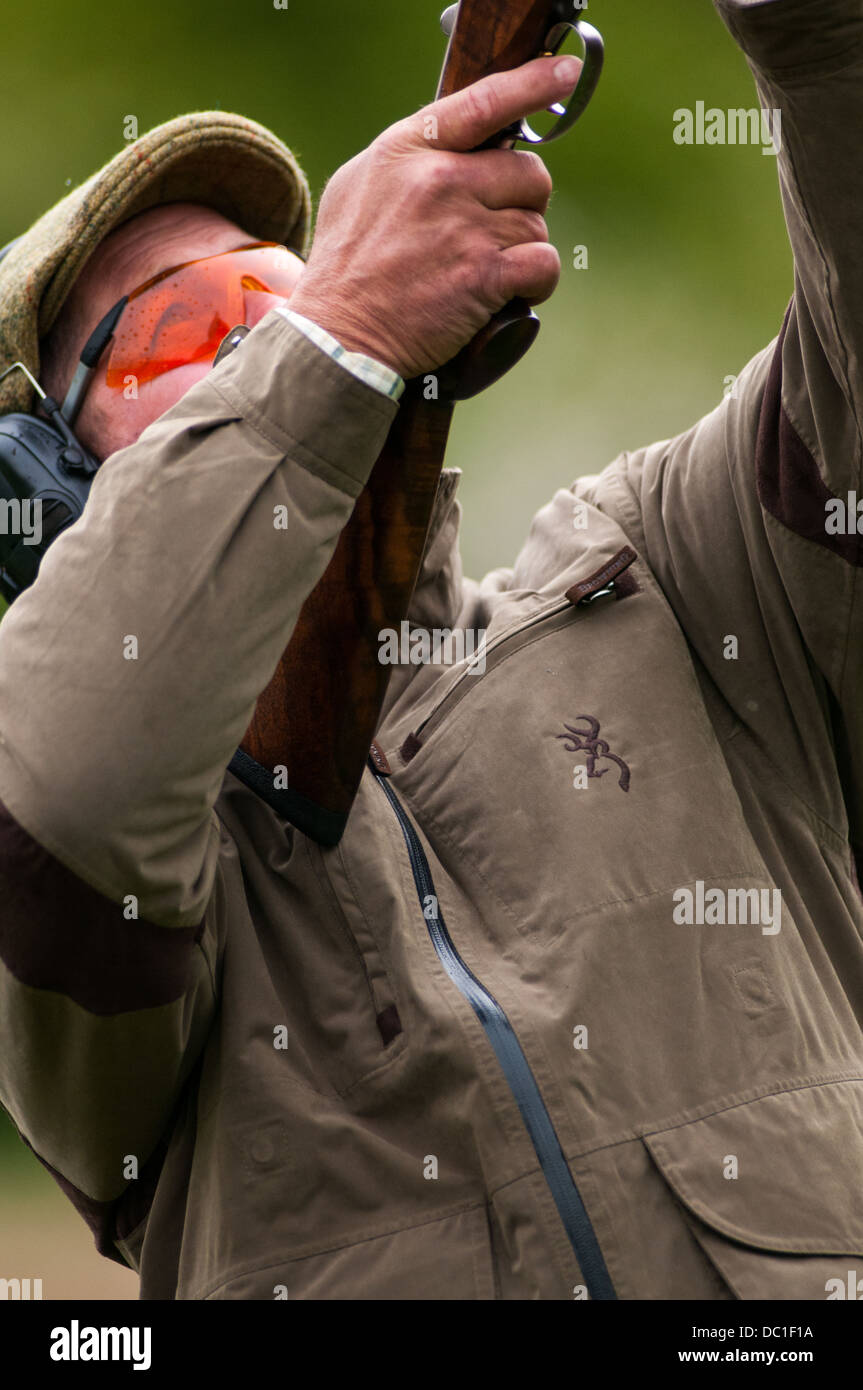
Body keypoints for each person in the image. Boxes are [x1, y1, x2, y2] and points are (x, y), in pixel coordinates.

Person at [0, 1, 861, 1302]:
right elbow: (70, 795)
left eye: (275, 288)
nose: (259, 338)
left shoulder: (669, 576)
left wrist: (815, 37)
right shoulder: (123, 910)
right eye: (184, 332)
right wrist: (336, 327)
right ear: (52, 487)